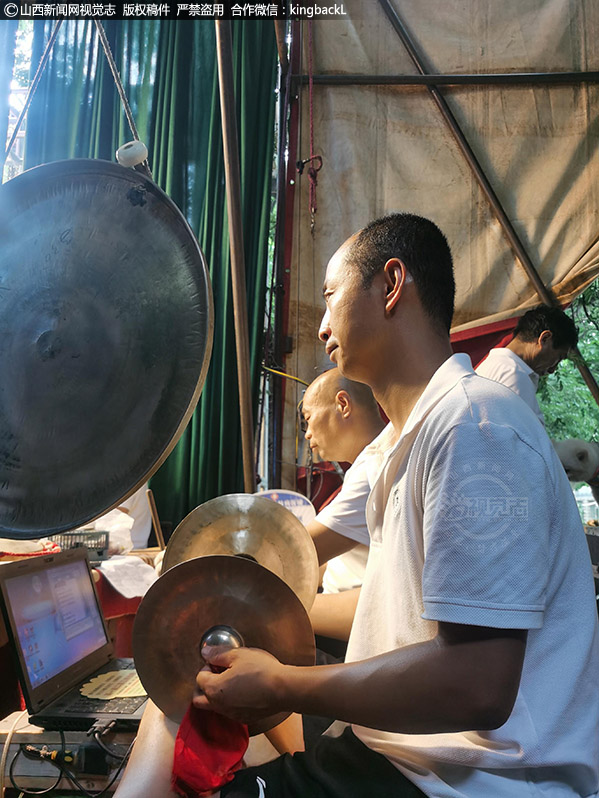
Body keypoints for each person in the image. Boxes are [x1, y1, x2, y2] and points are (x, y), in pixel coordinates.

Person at [115, 214, 599, 798]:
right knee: (177, 716)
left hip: (470, 780)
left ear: (391, 285)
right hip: (399, 751)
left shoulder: (474, 425)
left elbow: (478, 685)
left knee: (170, 752)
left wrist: (285, 685)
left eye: (329, 296)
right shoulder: (409, 440)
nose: (321, 327)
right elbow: (398, 612)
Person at [302, 368, 384, 605]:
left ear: (343, 404)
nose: (307, 435)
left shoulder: (373, 465)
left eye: (308, 419)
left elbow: (296, 552)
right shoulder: (367, 461)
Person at [475, 304, 578, 425]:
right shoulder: (513, 375)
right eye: (559, 358)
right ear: (545, 338)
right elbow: (525, 439)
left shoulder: (491, 364)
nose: (552, 370)